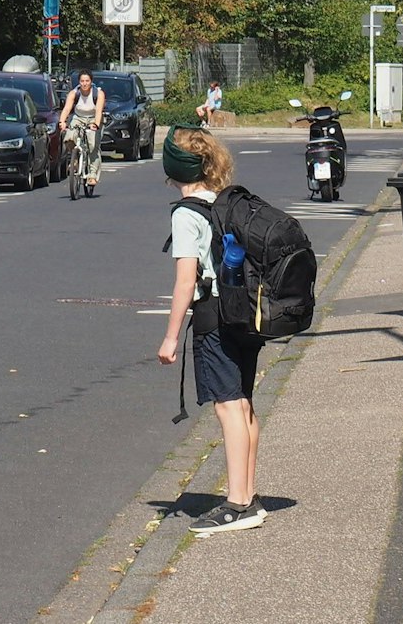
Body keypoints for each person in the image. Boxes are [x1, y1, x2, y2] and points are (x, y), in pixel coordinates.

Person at [156, 127, 267, 535]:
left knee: (227, 406)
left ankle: (238, 504)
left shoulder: (186, 214)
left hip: (215, 316)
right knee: (243, 403)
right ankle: (249, 494)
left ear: (174, 168)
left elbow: (186, 281)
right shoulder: (225, 200)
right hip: (246, 313)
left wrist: (171, 337)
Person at [60, 69, 105, 189]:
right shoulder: (74, 93)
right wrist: (62, 122)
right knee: (69, 137)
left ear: (91, 81)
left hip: (93, 118)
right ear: (79, 82)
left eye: (87, 81)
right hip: (78, 118)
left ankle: (92, 174)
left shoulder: (98, 94)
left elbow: (99, 111)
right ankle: (74, 160)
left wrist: (95, 124)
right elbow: (67, 109)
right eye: (82, 81)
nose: (84, 84)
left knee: (92, 145)